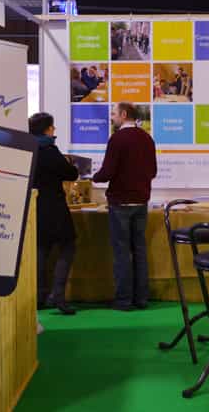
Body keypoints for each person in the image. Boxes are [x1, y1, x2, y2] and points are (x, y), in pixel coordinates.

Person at [92, 102, 157, 311]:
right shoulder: (147, 138)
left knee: (121, 253)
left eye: (114, 113)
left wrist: (91, 176)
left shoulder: (117, 139)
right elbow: (153, 171)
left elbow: (107, 172)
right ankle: (141, 298)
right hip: (141, 201)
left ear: (123, 114)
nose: (111, 117)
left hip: (120, 202)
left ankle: (123, 300)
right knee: (139, 250)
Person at [29, 112, 80, 315]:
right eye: (53, 127)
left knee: (41, 251)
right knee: (68, 246)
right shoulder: (49, 150)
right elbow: (71, 173)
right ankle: (58, 294)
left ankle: (38, 296)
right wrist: (71, 164)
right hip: (55, 207)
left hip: (35, 207)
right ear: (48, 129)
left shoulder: (27, 148)